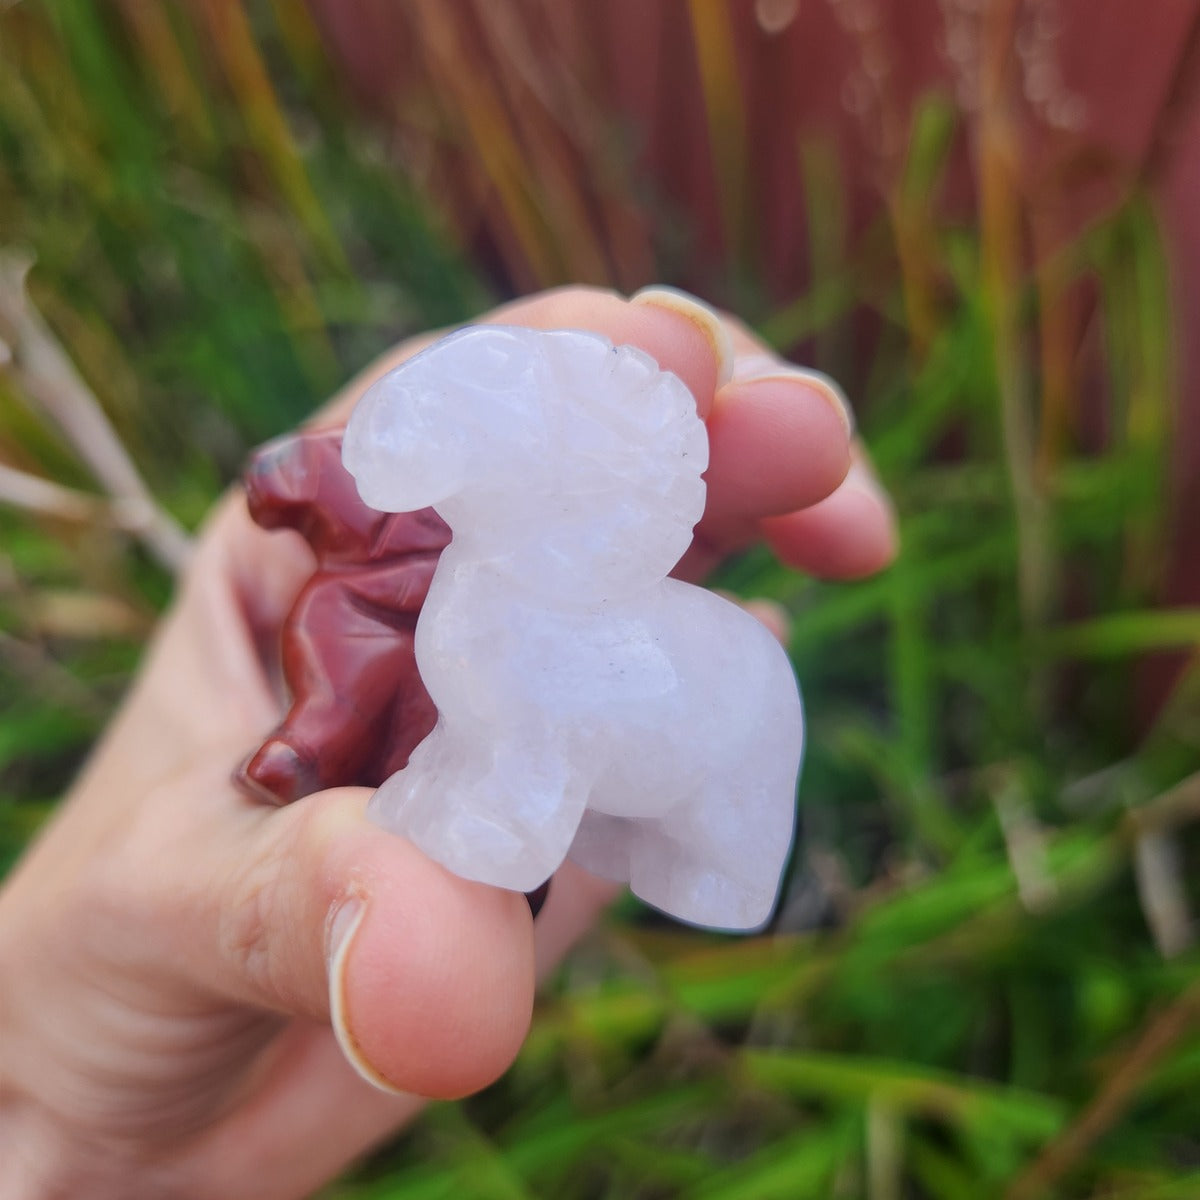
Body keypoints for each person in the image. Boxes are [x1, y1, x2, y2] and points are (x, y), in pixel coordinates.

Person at [0, 286, 896, 1199]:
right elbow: (492, 713)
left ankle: (717, 867)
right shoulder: (474, 584)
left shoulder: (561, 609)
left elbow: (541, 731)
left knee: (665, 798)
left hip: (711, 742)